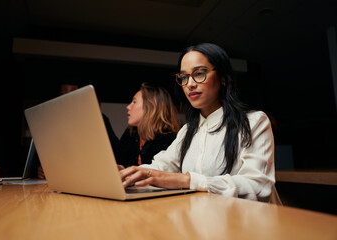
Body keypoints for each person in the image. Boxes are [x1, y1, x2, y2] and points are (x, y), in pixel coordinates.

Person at [119, 43, 281, 204]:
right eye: (183, 77)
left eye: (199, 73)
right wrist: (129, 174)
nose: (190, 84)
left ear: (223, 78)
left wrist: (187, 180)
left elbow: (259, 186)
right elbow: (162, 166)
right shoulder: (188, 130)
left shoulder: (254, 121)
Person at [37, 84, 119, 179]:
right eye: (63, 95)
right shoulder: (50, 121)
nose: (66, 99)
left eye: (72, 95)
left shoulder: (98, 118)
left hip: (90, 178)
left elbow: (113, 154)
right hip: (58, 179)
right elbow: (44, 156)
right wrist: (42, 169)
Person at [116, 82, 181, 168]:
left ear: (150, 107)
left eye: (134, 102)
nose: (128, 107)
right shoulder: (130, 133)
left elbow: (159, 174)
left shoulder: (168, 140)